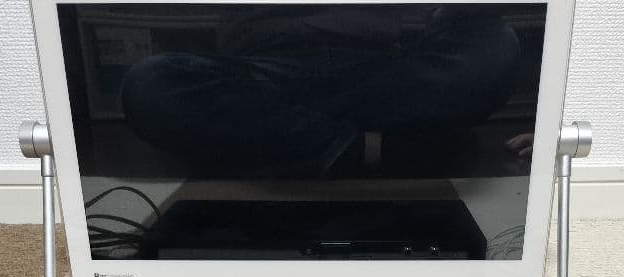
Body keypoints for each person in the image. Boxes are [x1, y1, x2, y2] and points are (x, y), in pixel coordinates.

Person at [120, 5, 522, 177]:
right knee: (147, 86)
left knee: (496, 47)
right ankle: (370, 149)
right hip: (263, 71)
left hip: (375, 70)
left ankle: (289, 139)